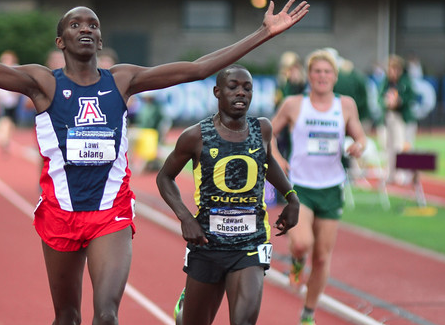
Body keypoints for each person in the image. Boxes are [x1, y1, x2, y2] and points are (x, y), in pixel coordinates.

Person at [0, 1, 308, 323]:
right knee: (67, 316)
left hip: (111, 215)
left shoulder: (122, 81)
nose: (86, 28)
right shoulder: (41, 83)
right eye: (76, 24)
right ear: (61, 39)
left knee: (106, 314)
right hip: (61, 216)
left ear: (99, 37)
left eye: (93, 24)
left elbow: (199, 69)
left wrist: (263, 33)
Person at [157, 64, 300, 325]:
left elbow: (267, 162)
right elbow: (164, 177)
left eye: (247, 88)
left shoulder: (262, 129)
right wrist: (185, 217)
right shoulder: (196, 136)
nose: (241, 93)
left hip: (250, 243)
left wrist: (291, 196)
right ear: (217, 92)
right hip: (207, 244)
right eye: (233, 87)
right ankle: (187, 299)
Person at [270, 49, 367, 325]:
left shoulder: (345, 105)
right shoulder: (293, 104)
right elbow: (268, 134)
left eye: (327, 72)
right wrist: (277, 159)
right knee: (302, 243)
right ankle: (297, 260)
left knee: (323, 258)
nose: (322, 76)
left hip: (331, 186)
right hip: (300, 186)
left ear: (335, 76)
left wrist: (358, 146)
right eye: (317, 71)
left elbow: (360, 135)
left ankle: (308, 314)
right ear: (309, 75)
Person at [378, 54, 415, 184]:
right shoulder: (386, 82)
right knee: (388, 146)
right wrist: (386, 103)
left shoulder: (406, 82)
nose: (394, 72)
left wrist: (399, 102)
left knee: (403, 146)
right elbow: (379, 98)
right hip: (389, 117)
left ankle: (404, 174)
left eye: (396, 69)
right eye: (391, 69)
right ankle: (390, 173)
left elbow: (411, 97)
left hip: (402, 118)